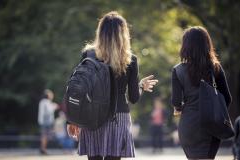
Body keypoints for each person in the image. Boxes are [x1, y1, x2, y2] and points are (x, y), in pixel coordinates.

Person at [67, 11, 158, 160]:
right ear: (123, 33)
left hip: (92, 117)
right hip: (118, 117)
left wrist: (72, 119)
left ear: (100, 32)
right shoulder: (131, 60)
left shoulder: (89, 55)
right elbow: (133, 98)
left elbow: (78, 89)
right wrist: (141, 86)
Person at [171, 26, 232, 159]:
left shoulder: (178, 70)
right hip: (211, 127)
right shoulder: (215, 67)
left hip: (188, 127)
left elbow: (176, 102)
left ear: (185, 45)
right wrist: (215, 112)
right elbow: (227, 98)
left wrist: (180, 108)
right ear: (206, 44)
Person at [38, 89, 58, 155]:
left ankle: (43, 149)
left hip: (43, 122)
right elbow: (48, 112)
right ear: (48, 95)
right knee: (45, 136)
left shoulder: (43, 101)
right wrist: (54, 107)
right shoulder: (46, 102)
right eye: (51, 94)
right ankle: (43, 149)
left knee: (45, 135)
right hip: (46, 122)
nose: (52, 95)